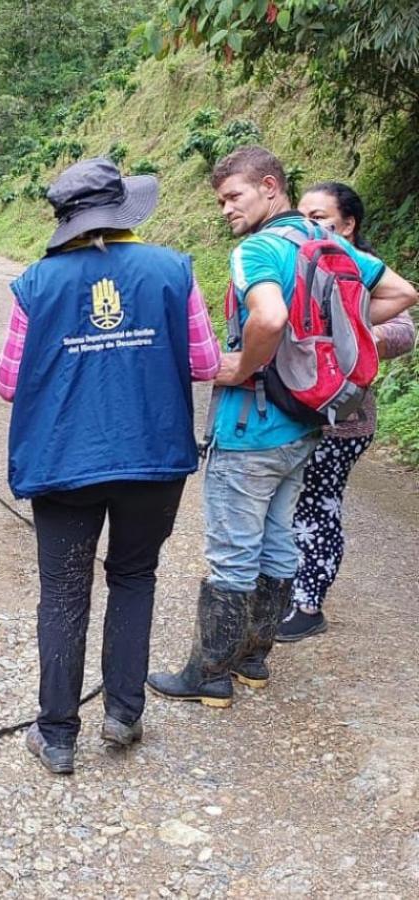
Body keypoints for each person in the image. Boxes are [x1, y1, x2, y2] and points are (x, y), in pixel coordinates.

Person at [148, 148, 418, 708]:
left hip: (252, 426)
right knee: (276, 541)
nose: (225, 209)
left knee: (233, 550)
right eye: (220, 200)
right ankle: (254, 660)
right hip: (307, 423)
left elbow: (267, 318)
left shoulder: (259, 248)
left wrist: (244, 365)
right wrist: (330, 328)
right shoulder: (328, 245)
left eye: (233, 196)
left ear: (271, 187)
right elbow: (402, 293)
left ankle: (210, 675)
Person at [0, 157, 221, 775]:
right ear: (123, 214)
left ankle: (58, 736)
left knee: (63, 593)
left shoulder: (35, 284)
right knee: (133, 576)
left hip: (65, 464)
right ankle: (123, 715)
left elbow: (9, 383)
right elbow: (204, 362)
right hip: (152, 460)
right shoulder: (174, 271)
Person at [277, 182, 416, 641]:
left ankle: (308, 603)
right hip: (295, 412)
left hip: (345, 419)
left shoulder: (368, 273)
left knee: (318, 504)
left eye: (320, 217)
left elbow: (402, 331)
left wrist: (356, 333)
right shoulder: (304, 261)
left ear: (349, 224)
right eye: (304, 216)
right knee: (291, 504)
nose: (309, 225)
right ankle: (285, 588)